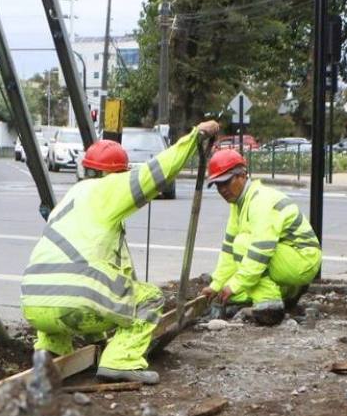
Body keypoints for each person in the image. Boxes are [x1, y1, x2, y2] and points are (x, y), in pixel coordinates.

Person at [21, 119, 220, 384]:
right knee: (148, 299)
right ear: (117, 173)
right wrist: (195, 137)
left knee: (80, 299)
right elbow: (156, 172)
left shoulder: (70, 199)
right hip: (78, 295)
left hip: (34, 300)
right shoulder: (108, 188)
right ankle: (120, 362)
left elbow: (114, 270)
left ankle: (50, 352)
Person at [203, 146, 322, 326]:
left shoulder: (260, 201)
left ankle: (270, 307)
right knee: (238, 288)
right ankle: (289, 292)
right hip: (289, 258)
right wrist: (216, 285)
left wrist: (233, 285)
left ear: (242, 175)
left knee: (244, 246)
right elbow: (228, 250)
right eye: (218, 184)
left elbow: (260, 251)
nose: (222, 189)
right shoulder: (238, 204)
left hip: (303, 260)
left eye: (226, 182)